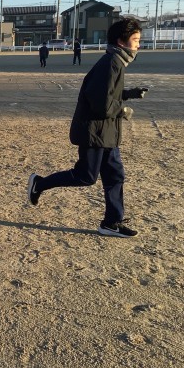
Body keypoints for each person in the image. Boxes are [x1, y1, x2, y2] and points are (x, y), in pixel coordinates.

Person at [27, 18, 148, 237]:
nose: (139, 44)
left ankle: (112, 222)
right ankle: (39, 183)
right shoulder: (111, 63)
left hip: (106, 133)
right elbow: (101, 104)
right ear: (121, 42)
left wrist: (128, 93)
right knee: (86, 176)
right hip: (94, 132)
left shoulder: (117, 61)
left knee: (115, 175)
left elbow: (107, 94)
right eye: (135, 40)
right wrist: (122, 110)